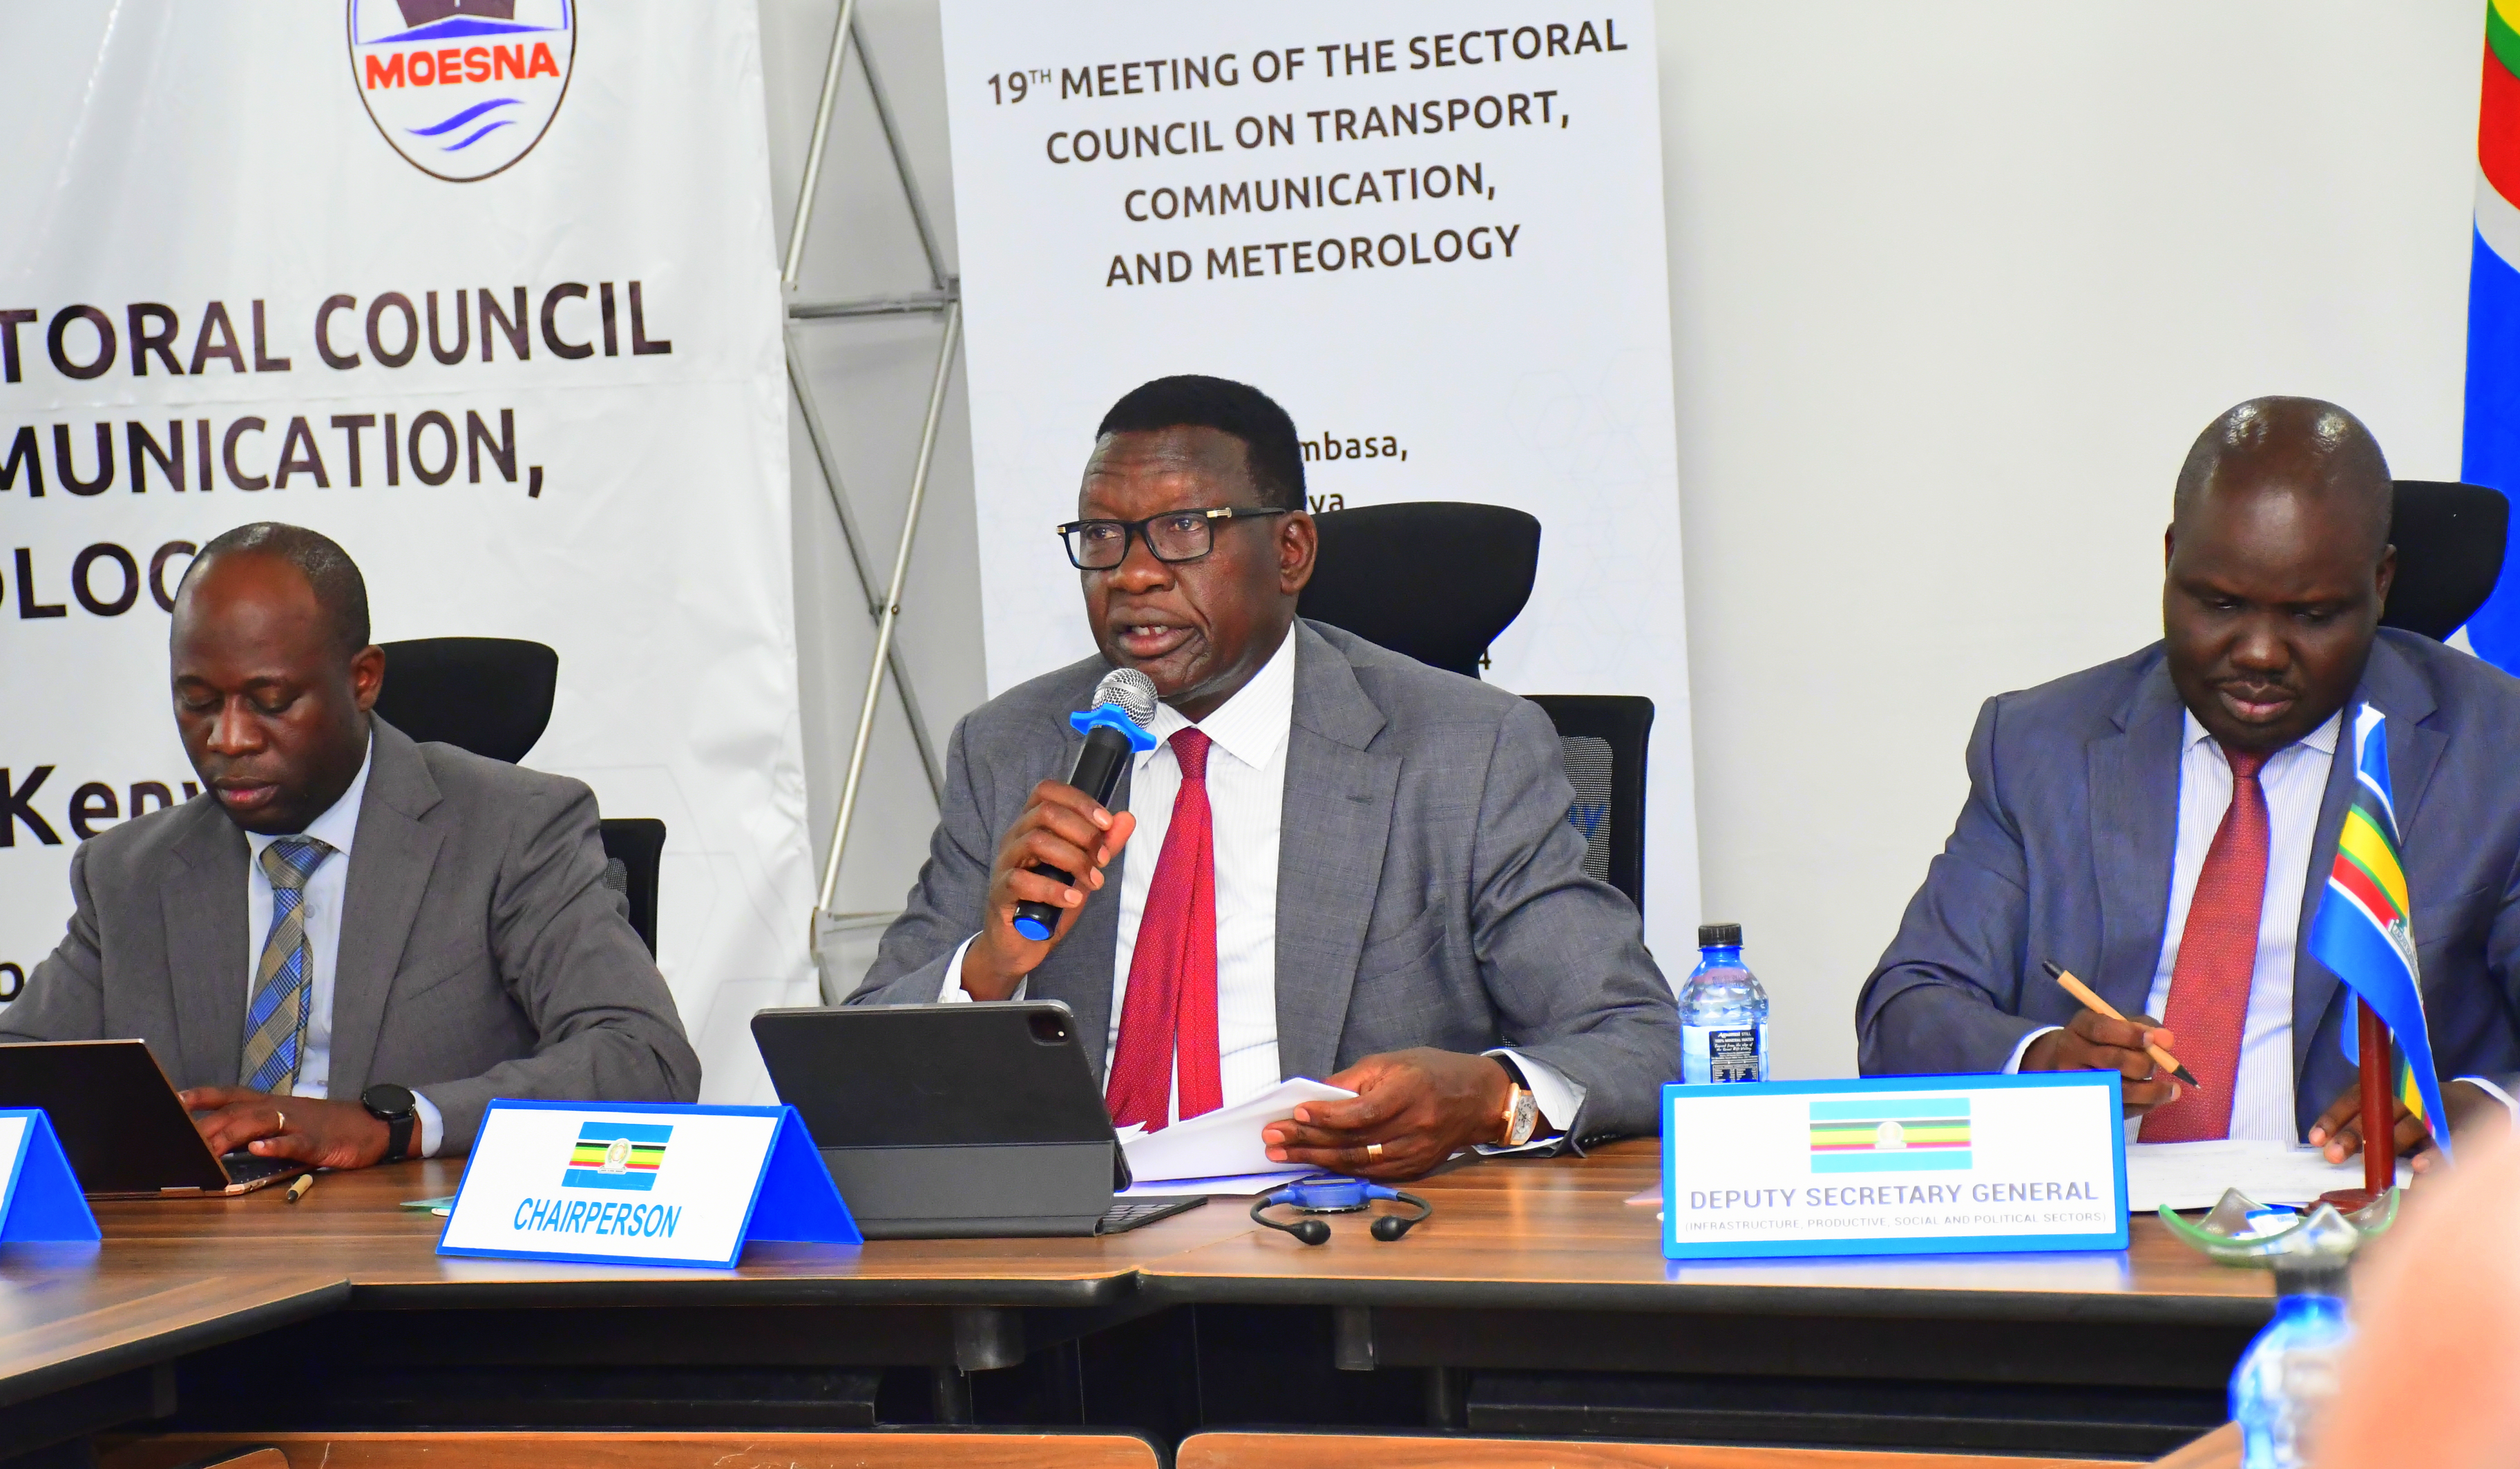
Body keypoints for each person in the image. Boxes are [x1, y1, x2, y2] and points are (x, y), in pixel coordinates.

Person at [851, 375, 1675, 1178]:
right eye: (1102, 536)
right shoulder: (1010, 748)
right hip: (1078, 1270)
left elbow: (1635, 1038)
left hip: (1341, 1256)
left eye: (1181, 529)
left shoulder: (1466, 752)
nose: (1132, 574)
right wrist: (989, 964)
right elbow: (853, 1058)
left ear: (1291, 551)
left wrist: (1493, 1097)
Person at [1857, 397, 2520, 1163]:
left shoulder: (2494, 753)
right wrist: (2040, 1060)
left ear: (2381, 582)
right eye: (2223, 603)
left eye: (2311, 615)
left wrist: (2484, 1108)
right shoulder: (2042, 745)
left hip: (2368, 1226)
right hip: (2103, 1236)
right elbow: (1907, 1009)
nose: (2262, 652)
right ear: (2172, 558)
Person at [6, 522, 700, 1168]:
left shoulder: (513, 829)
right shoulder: (129, 873)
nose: (230, 739)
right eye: (198, 702)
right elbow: (20, 1071)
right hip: (199, 1266)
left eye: (271, 700)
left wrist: (391, 1123)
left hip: (423, 1264)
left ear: (363, 680)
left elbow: (646, 1057)